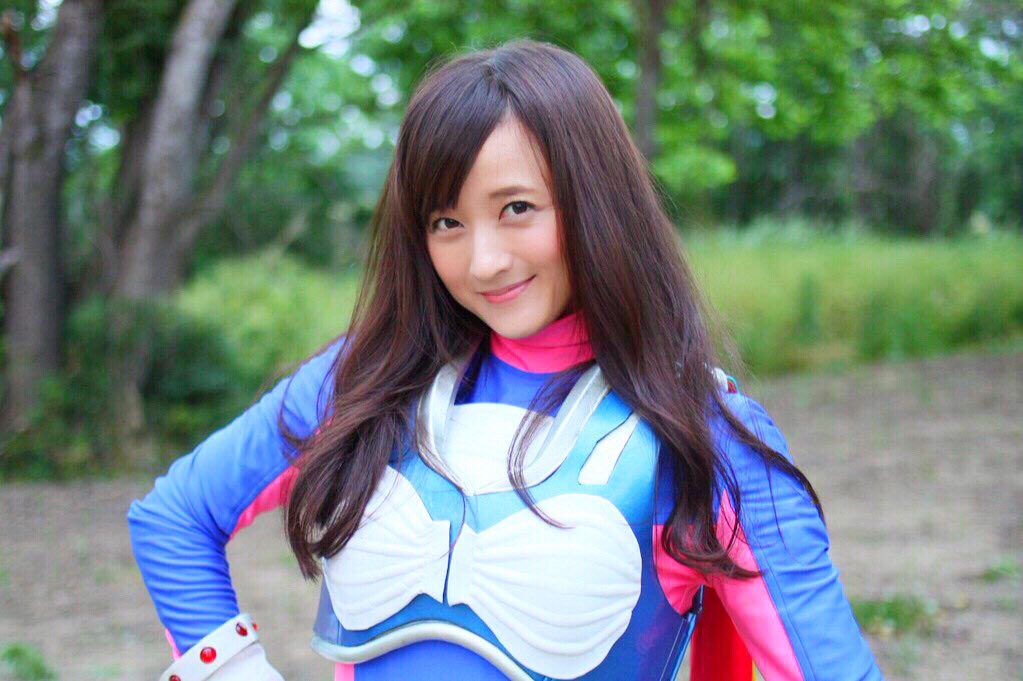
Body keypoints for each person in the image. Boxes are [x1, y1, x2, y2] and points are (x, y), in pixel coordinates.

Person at [127, 39, 883, 681]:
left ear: (593, 201)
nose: (483, 260)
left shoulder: (707, 438)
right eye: (446, 221)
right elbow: (175, 517)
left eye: (516, 208)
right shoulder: (363, 382)